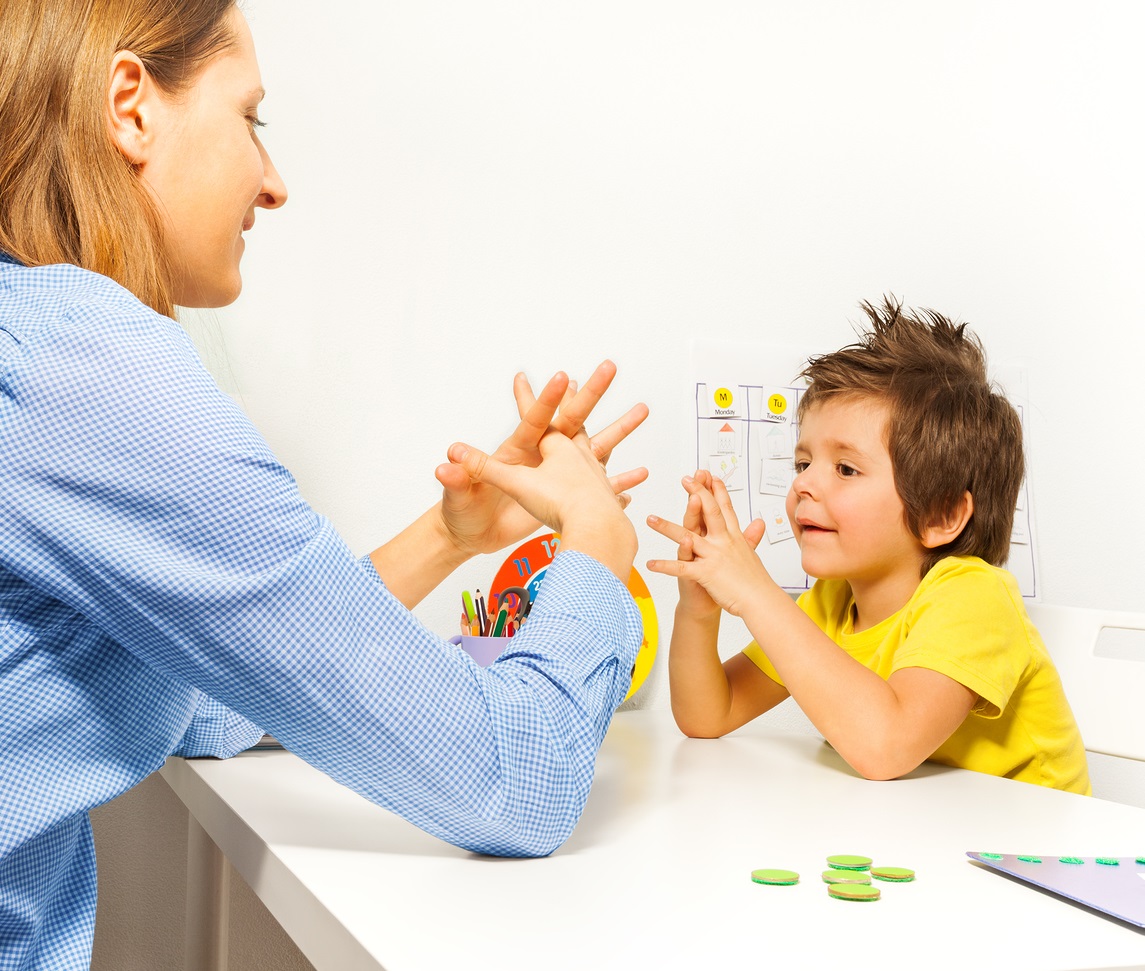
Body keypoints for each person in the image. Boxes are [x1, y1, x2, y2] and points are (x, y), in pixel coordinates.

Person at [0, 1, 649, 967]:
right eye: (251, 117)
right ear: (130, 106)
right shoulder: (85, 363)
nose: (274, 183)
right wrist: (594, 544)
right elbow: (516, 778)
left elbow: (206, 698)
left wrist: (447, 533)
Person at [647, 297, 1090, 794]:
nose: (803, 485)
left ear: (941, 515)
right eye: (802, 463)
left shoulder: (975, 598)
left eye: (846, 469)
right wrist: (699, 612)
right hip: (922, 839)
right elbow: (709, 714)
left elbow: (885, 747)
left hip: (1034, 852)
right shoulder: (832, 603)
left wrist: (756, 594)